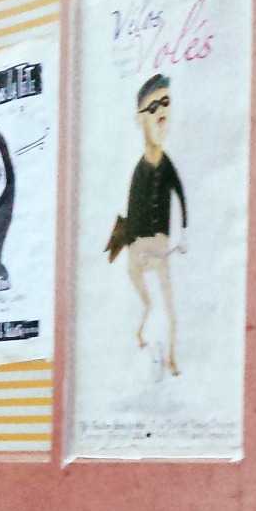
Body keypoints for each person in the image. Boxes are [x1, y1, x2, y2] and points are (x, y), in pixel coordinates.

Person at [106, 74, 187, 375]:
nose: (161, 111)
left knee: (167, 304)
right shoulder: (139, 171)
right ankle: (143, 337)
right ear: (140, 119)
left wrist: (183, 234)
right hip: (141, 247)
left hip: (160, 245)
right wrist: (131, 246)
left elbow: (180, 195)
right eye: (153, 107)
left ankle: (172, 358)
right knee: (147, 301)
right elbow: (132, 211)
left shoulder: (166, 165)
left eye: (165, 103)